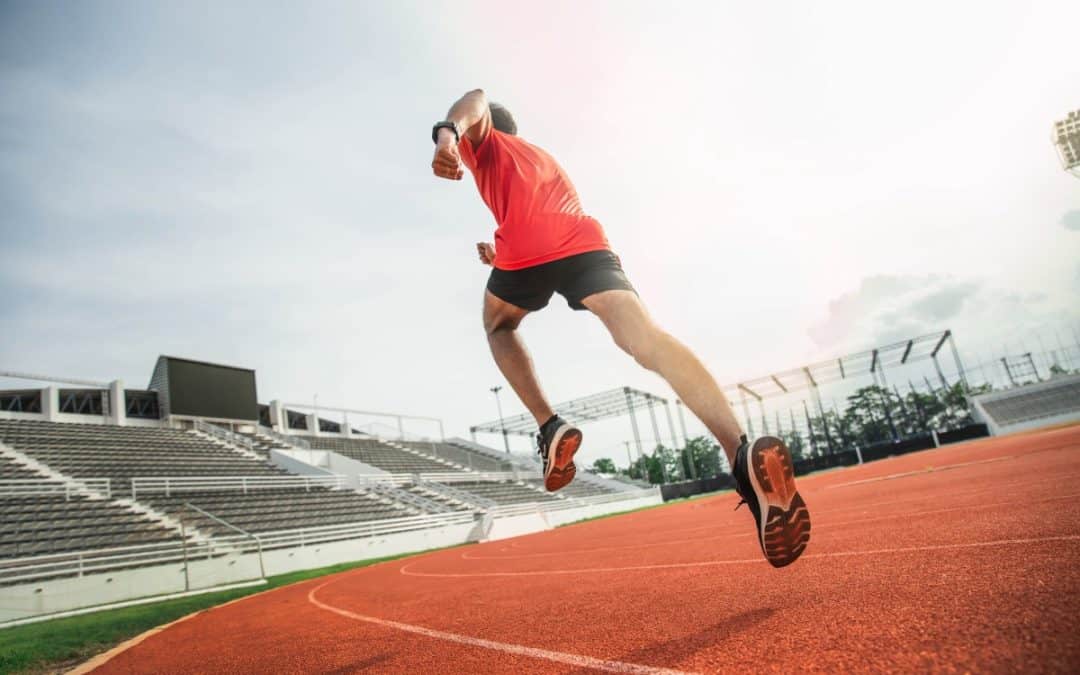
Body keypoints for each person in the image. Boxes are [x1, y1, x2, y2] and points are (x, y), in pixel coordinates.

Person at [430, 90, 810, 567]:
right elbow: (538, 218)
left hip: (528, 249)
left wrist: (446, 136)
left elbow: (476, 97)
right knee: (646, 342)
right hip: (585, 244)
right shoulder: (542, 159)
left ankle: (550, 426)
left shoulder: (484, 142)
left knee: (498, 326)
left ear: (487, 131)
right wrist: (499, 255)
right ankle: (740, 452)